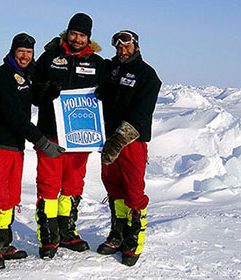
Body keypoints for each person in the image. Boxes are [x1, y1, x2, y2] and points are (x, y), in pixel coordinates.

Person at [0, 33, 64, 270]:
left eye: (29, 52)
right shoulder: (3, 77)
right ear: (13, 51)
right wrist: (42, 141)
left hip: (15, 147)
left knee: (10, 198)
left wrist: (50, 70)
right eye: (21, 51)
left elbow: (38, 91)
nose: (25, 56)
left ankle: (3, 244)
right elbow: (14, 116)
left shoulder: (24, 75)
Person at [32, 12, 104, 259]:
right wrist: (45, 91)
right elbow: (33, 93)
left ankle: (67, 231)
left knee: (73, 184)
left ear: (88, 38)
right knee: (48, 185)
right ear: (67, 32)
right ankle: (48, 236)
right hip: (50, 133)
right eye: (73, 33)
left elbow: (111, 96)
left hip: (80, 136)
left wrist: (107, 94)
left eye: (82, 35)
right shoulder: (50, 57)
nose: (76, 38)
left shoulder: (97, 63)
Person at [94, 30, 161, 266]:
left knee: (133, 190)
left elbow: (142, 115)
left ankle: (134, 239)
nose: (123, 50)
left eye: (127, 46)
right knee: (114, 188)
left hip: (131, 142)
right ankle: (118, 233)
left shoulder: (147, 75)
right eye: (119, 47)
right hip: (108, 137)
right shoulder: (112, 69)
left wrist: (120, 140)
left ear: (136, 47)